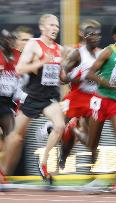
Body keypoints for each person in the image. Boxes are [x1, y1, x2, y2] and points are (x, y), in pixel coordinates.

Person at [0, 14, 65, 184]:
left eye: (57, 26)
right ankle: (2, 172)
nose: (55, 28)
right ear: (42, 27)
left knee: (59, 126)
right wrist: (42, 62)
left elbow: (62, 77)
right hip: (32, 96)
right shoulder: (33, 44)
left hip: (50, 97)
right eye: (51, 25)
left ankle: (43, 163)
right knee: (14, 137)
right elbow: (20, 68)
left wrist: (69, 73)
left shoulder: (59, 48)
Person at [86, 24, 116, 190]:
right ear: (115, 37)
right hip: (101, 99)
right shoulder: (107, 52)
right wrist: (106, 83)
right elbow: (90, 74)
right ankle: (74, 130)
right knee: (92, 142)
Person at [58, 20, 102, 169]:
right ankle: (63, 153)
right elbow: (63, 77)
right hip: (76, 94)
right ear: (82, 34)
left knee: (93, 136)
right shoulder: (73, 51)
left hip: (93, 97)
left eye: (96, 33)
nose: (93, 36)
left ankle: (94, 163)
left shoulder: (102, 53)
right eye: (89, 32)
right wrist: (78, 76)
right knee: (60, 128)